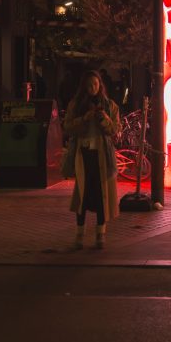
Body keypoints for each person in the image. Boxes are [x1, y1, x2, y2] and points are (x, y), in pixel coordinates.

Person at [62, 69, 120, 249]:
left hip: (103, 155)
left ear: (100, 85)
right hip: (83, 154)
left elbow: (115, 130)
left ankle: (100, 234)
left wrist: (104, 118)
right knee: (83, 195)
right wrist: (84, 119)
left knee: (102, 194)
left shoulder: (109, 105)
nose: (92, 88)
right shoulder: (76, 104)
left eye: (95, 84)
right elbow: (68, 127)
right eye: (88, 85)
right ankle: (79, 234)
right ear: (83, 87)